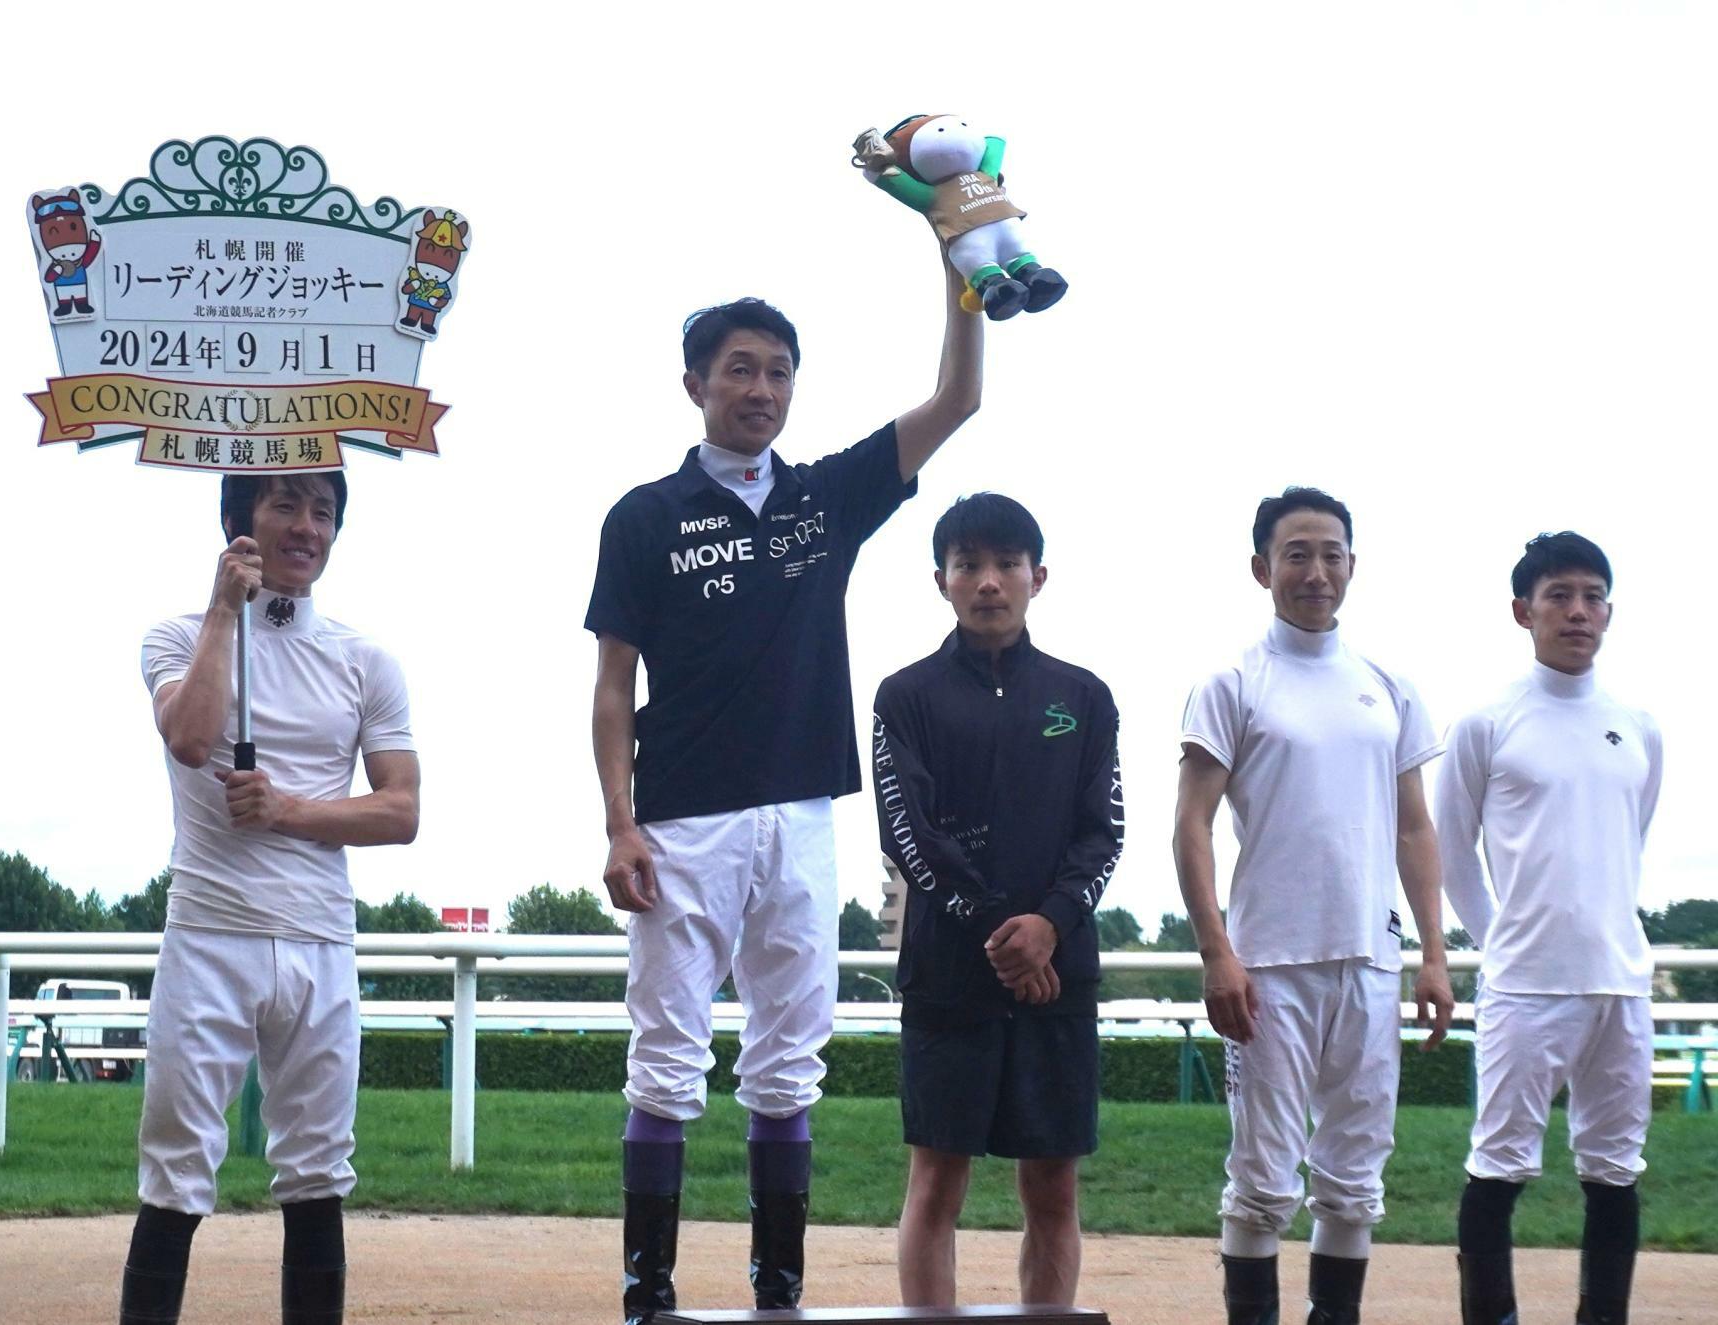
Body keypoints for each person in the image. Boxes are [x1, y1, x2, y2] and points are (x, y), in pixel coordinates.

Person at [587, 256, 985, 1323]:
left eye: (776, 373)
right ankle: (648, 1294)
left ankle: (778, 1295)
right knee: (666, 1054)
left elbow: (958, 400)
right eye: (737, 370)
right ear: (694, 384)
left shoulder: (824, 496)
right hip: (681, 818)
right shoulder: (643, 515)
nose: (759, 389)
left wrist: (959, 275)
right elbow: (612, 687)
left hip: (804, 811)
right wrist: (619, 823)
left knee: (788, 1055)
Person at [118, 473, 419, 1325]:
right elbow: (188, 737)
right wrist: (223, 609)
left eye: (323, 511)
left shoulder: (367, 660)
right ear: (238, 519)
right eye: (285, 503)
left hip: (321, 940)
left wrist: (289, 809)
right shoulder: (176, 634)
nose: (306, 526)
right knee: (177, 1167)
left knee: (319, 1169)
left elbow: (401, 810)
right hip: (211, 934)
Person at [1173, 486, 1455, 1325]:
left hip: (1370, 961)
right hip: (1268, 969)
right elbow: (1190, 828)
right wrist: (1216, 952)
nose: (1315, 570)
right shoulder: (1232, 683)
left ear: (1352, 566)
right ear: (1262, 567)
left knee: (1354, 1178)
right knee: (1262, 1180)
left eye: (1331, 552)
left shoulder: (1388, 686)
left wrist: (1433, 954)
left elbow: (1414, 828)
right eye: (1296, 553)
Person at [871, 493, 1122, 1308]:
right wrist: (999, 933)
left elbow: (1103, 832)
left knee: (1052, 1191)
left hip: (1060, 975)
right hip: (950, 975)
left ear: (1037, 576)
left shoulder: (1084, 697)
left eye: (1007, 564)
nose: (988, 581)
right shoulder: (902, 696)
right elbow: (908, 830)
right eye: (968, 564)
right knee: (936, 1184)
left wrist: (1049, 924)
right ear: (940, 579)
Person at [1436, 533, 1662, 1325]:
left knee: (1614, 1170)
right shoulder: (1488, 725)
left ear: (1609, 610)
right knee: (1499, 1166)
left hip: (1621, 985)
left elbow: (1627, 839)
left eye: (1592, 596)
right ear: (1522, 610)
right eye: (1560, 595)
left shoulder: (1638, 727)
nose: (1577, 611)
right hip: (1526, 986)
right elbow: (1450, 850)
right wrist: (1496, 940)